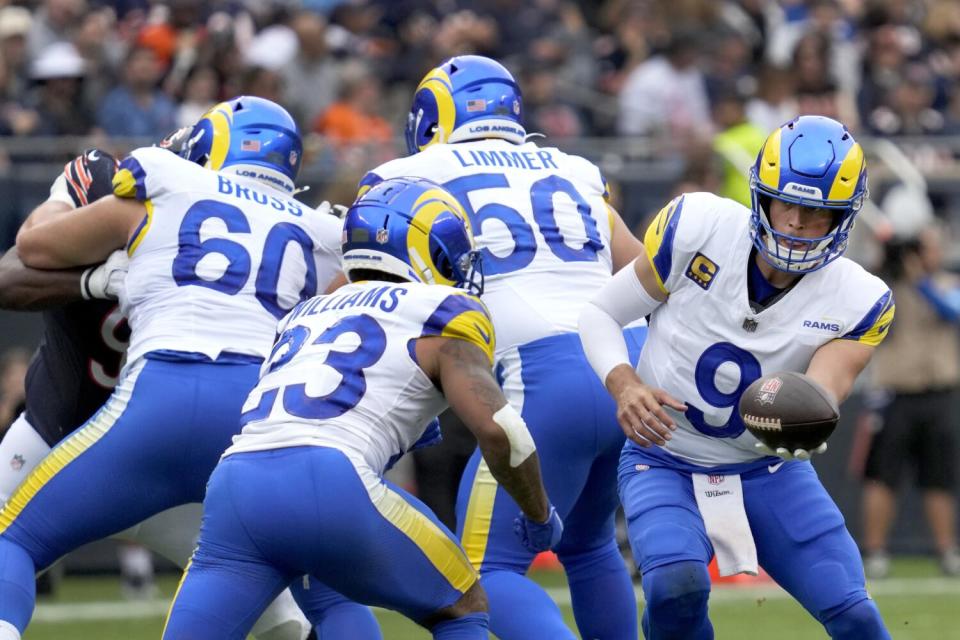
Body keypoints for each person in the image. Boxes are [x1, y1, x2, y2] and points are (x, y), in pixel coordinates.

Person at [0, 97, 367, 640]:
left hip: (141, 422)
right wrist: (97, 280)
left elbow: (34, 242)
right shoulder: (309, 232)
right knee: (316, 598)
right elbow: (10, 274)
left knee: (284, 625)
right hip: (69, 428)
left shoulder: (160, 188)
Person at [161, 176, 562, 640]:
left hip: (236, 485)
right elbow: (500, 432)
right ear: (422, 248)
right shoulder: (441, 308)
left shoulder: (305, 312)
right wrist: (539, 515)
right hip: (329, 480)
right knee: (462, 603)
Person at [360, 55, 645, 640]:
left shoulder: (407, 174)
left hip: (538, 377)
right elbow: (643, 269)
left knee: (489, 569)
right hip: (626, 366)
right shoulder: (574, 170)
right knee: (590, 546)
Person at [579, 115, 894, 639]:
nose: (795, 222)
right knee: (674, 586)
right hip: (664, 458)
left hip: (766, 469)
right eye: (786, 203)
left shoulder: (859, 299)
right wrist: (625, 383)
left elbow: (821, 393)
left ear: (843, 216)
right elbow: (599, 313)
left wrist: (807, 416)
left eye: (817, 212)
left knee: (855, 614)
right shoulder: (696, 227)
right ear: (760, 196)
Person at [861, 221, 960, 578]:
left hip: (938, 394)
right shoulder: (886, 286)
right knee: (882, 476)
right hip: (895, 394)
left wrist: (918, 278)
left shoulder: (947, 283)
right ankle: (875, 551)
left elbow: (953, 311)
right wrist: (889, 257)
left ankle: (946, 550)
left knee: (940, 477)